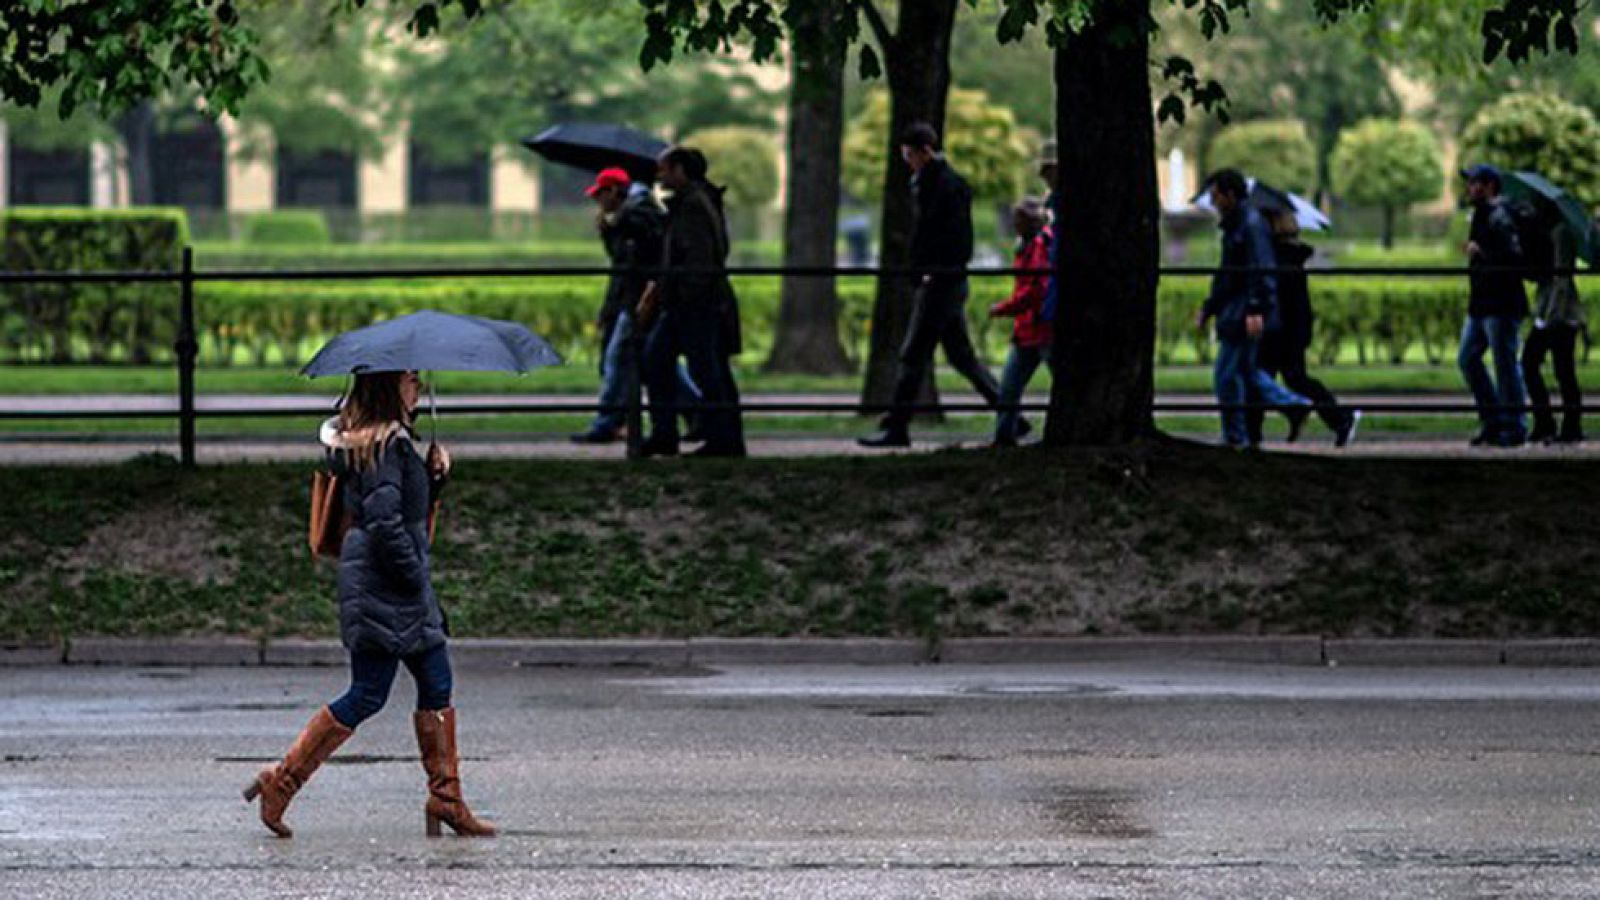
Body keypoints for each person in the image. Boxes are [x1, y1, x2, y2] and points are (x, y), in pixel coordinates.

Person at [244, 371, 494, 839]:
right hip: (385, 587)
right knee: (368, 693)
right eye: (411, 379)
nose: (418, 388)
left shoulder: (386, 444)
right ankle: (281, 781)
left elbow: (402, 509)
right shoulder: (383, 448)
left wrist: (434, 477)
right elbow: (383, 522)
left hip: (394, 586)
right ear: (387, 386)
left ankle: (446, 799)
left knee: (436, 680)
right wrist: (414, 576)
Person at [860, 122, 1008, 448]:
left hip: (939, 282)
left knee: (914, 354)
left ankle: (897, 428)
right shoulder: (944, 184)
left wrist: (926, 270)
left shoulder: (939, 186)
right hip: (947, 280)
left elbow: (938, 236)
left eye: (910, 156)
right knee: (961, 357)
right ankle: (1010, 414)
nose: (908, 163)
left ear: (924, 152)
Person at [570, 168, 702, 445]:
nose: (598, 201)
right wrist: (610, 229)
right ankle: (698, 412)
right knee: (652, 359)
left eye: (600, 194)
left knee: (618, 359)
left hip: (642, 299)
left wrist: (615, 225)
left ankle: (608, 422)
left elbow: (636, 255)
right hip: (639, 298)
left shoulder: (637, 214)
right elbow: (623, 263)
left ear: (614, 191)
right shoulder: (633, 214)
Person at [639, 146, 747, 458]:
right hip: (690, 302)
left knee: (702, 370)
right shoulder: (695, 202)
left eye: (664, 169)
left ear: (680, 170)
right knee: (668, 362)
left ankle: (716, 439)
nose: (659, 175)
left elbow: (698, 258)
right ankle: (695, 436)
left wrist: (682, 295)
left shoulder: (693, 206)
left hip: (693, 304)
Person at [1196, 169, 1311, 449]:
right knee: (1247, 373)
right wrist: (1211, 307)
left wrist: (1254, 309)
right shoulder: (1241, 224)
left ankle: (1236, 436)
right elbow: (1231, 274)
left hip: (1241, 314)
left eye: (1216, 196)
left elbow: (1260, 270)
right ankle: (1293, 406)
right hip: (1240, 311)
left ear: (1230, 195)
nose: (1213, 203)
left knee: (1226, 377)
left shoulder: (1249, 225)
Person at [1246, 209, 1360, 447]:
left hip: (1279, 330)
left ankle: (1254, 434)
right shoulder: (1290, 256)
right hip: (1290, 329)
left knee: (1262, 378)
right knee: (1291, 379)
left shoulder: (1277, 258)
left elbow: (1277, 295)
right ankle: (1339, 419)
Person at [1458, 163, 1529, 448]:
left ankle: (1513, 426)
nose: (1469, 188)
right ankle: (1495, 421)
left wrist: (1481, 252)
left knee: (1504, 364)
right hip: (1482, 302)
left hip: (1501, 302)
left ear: (1489, 186)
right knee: (1468, 359)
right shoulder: (1482, 214)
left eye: (1474, 183)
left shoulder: (1500, 215)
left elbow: (1513, 257)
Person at [988, 199, 1053, 447]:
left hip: (1039, 328)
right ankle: (1003, 438)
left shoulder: (1038, 246)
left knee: (1010, 387)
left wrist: (1005, 308)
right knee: (1009, 387)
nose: (1014, 224)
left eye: (1018, 219)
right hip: (1029, 329)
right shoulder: (1028, 245)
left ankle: (1004, 437)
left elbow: (1035, 290)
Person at [1521, 203, 1585, 444]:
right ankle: (1552, 423)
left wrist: (1551, 316)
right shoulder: (1547, 233)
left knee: (1558, 368)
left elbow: (1561, 276)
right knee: (1544, 366)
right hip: (1550, 309)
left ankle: (1564, 425)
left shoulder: (1560, 233)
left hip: (1559, 312)